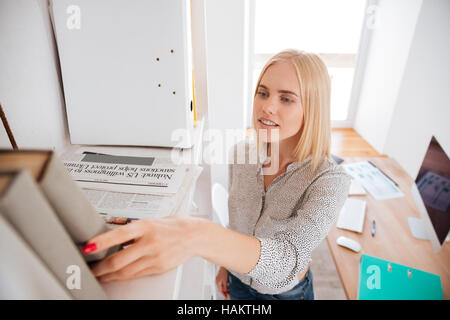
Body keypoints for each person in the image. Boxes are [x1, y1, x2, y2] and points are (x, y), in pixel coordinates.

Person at [82, 49, 352, 300]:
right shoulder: (241, 154)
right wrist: (225, 264)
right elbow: (237, 224)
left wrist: (197, 235)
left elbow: (287, 262)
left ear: (313, 109)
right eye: (263, 93)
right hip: (236, 282)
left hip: (286, 295)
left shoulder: (330, 181)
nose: (267, 107)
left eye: (286, 98)